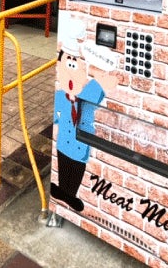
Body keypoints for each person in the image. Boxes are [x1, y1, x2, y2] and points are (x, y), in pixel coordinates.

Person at [51, 46, 116, 213]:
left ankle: (69, 194)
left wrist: (100, 77)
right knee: (64, 167)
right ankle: (64, 192)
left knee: (76, 170)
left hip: (80, 144)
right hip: (64, 143)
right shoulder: (60, 96)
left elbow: (95, 92)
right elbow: (55, 116)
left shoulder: (86, 94)